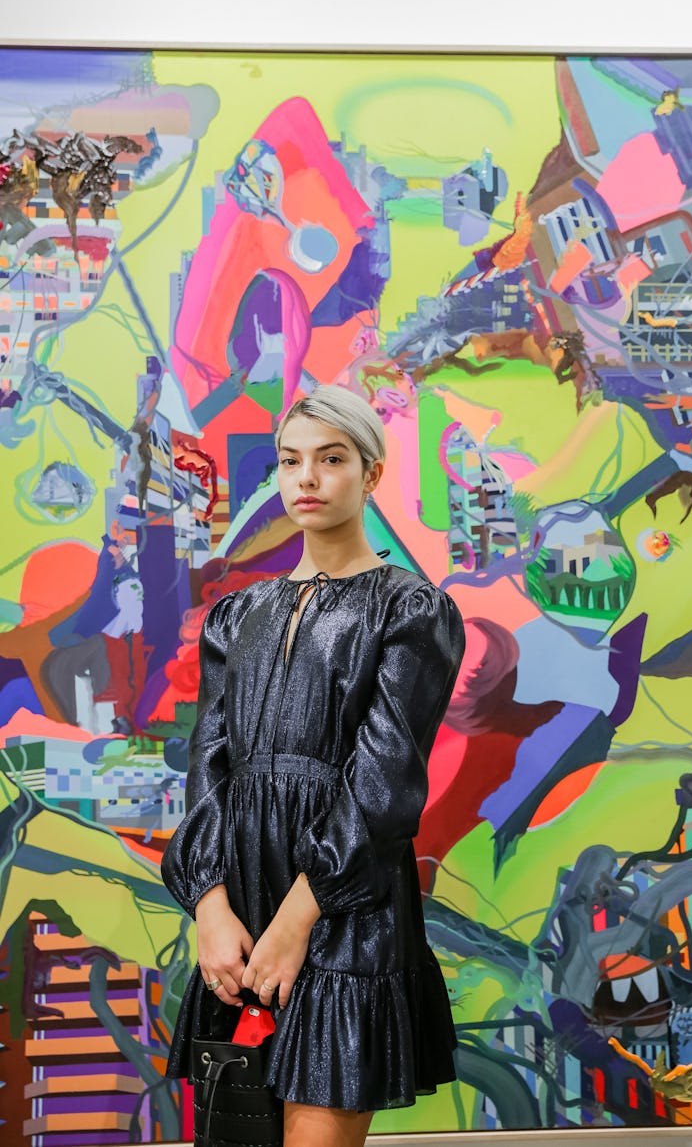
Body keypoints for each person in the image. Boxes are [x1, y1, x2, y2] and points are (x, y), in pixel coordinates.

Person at [161, 384, 466, 1147]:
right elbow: (210, 760)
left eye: (331, 460)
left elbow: (385, 782)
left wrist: (299, 918)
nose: (307, 478)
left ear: (370, 474)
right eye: (290, 461)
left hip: (345, 907)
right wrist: (209, 907)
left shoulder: (410, 611)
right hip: (239, 905)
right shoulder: (238, 613)